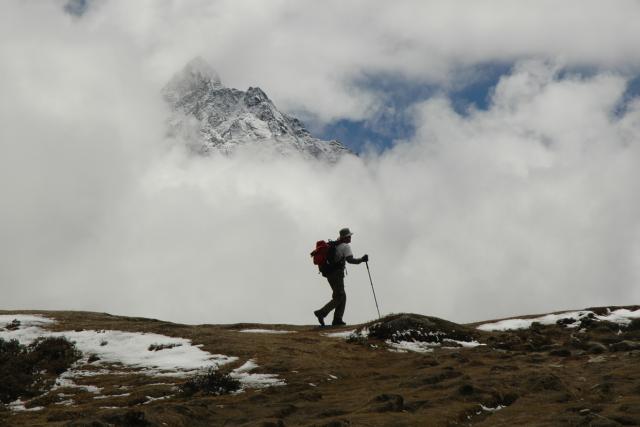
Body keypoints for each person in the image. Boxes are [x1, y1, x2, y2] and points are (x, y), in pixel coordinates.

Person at [314, 227, 368, 326]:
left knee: (342, 296)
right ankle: (321, 313)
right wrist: (362, 259)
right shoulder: (345, 246)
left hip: (329, 274)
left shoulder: (335, 245)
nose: (350, 238)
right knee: (339, 296)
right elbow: (350, 260)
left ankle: (337, 320)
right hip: (337, 274)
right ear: (345, 237)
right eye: (349, 236)